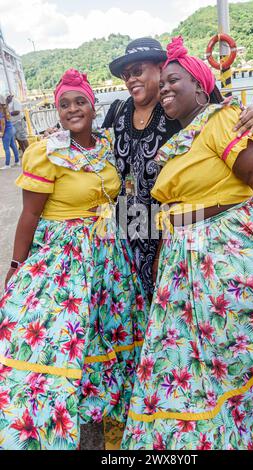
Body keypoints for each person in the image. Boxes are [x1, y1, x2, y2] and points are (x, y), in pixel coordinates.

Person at [121, 36, 253, 450]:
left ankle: (222, 422)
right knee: (184, 357)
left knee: (224, 345)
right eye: (157, 82)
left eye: (172, 80)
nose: (162, 87)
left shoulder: (220, 119)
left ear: (201, 87)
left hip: (218, 246)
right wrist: (158, 257)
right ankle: (193, 431)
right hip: (169, 250)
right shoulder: (151, 126)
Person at [0, 69, 147, 450]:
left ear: (93, 105)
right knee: (59, 336)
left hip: (109, 255)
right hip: (64, 259)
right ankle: (52, 426)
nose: (72, 109)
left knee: (108, 330)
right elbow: (29, 215)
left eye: (79, 101)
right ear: (58, 112)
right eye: (64, 104)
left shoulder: (107, 146)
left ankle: (112, 416)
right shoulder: (46, 152)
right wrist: (16, 266)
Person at [104, 37, 253, 298]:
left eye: (138, 71)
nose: (131, 79)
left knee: (167, 288)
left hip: (168, 216)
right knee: (133, 286)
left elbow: (217, 109)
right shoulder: (118, 110)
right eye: (126, 75)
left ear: (160, 68)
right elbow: (99, 148)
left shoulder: (173, 106)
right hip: (129, 213)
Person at [0, 94, 20, 169]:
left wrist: (2, 133)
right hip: (11, 129)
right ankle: (17, 161)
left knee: (6, 148)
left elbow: (3, 124)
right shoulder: (6, 110)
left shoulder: (1, 112)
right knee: (13, 146)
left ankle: (7, 164)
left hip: (7, 131)